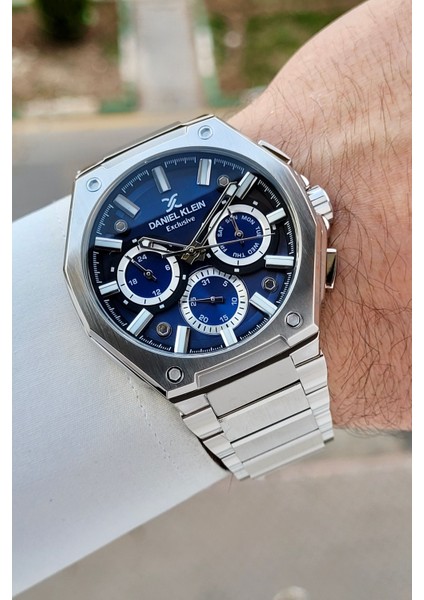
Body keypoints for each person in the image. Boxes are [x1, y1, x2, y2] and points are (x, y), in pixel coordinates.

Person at [12, 0, 411, 593]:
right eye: (158, 261)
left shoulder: (281, 208)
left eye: (232, 232)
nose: (196, 253)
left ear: (314, 211)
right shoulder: (105, 280)